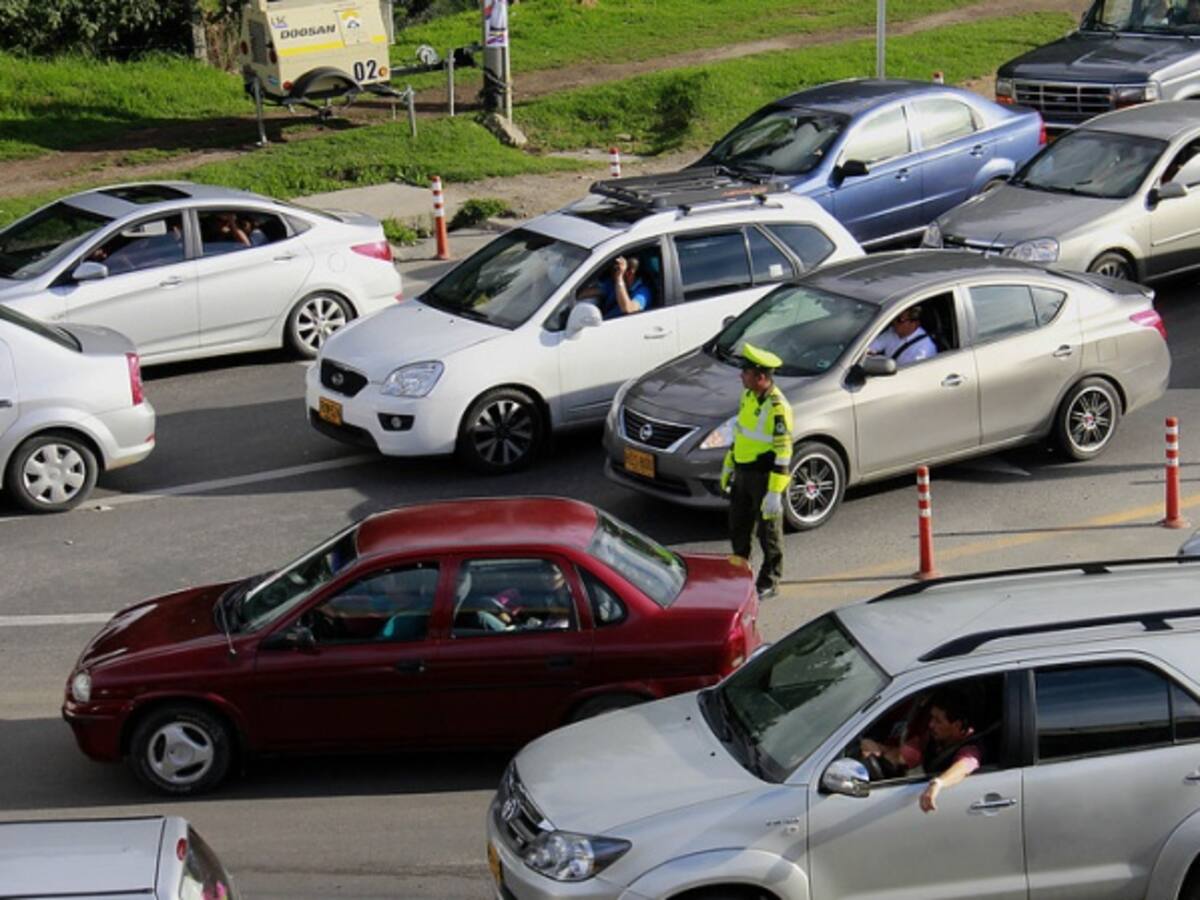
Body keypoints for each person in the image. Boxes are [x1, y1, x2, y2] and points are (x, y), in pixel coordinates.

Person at [719, 343, 793, 600]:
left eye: (746, 372)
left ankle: (770, 579)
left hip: (764, 478)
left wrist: (774, 493)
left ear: (761, 377)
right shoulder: (748, 396)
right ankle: (741, 574)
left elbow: (784, 452)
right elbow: (741, 433)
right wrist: (729, 464)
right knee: (738, 527)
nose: (741, 376)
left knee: (768, 533)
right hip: (743, 473)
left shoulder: (778, 407)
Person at [859, 687, 984, 814]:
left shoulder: (970, 749)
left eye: (938, 721)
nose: (931, 724)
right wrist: (878, 748)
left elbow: (964, 766)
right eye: (932, 718)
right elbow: (905, 752)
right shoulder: (932, 738)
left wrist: (938, 783)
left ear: (957, 725)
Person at [579, 255, 652, 318]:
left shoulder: (643, 292)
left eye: (616, 269)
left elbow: (628, 308)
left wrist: (619, 278)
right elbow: (587, 292)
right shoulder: (612, 283)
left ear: (629, 273)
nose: (612, 273)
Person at [867, 306, 938, 367]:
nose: (894, 322)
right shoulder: (892, 332)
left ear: (914, 323)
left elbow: (914, 373)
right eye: (895, 318)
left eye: (900, 320)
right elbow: (872, 347)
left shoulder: (925, 349)